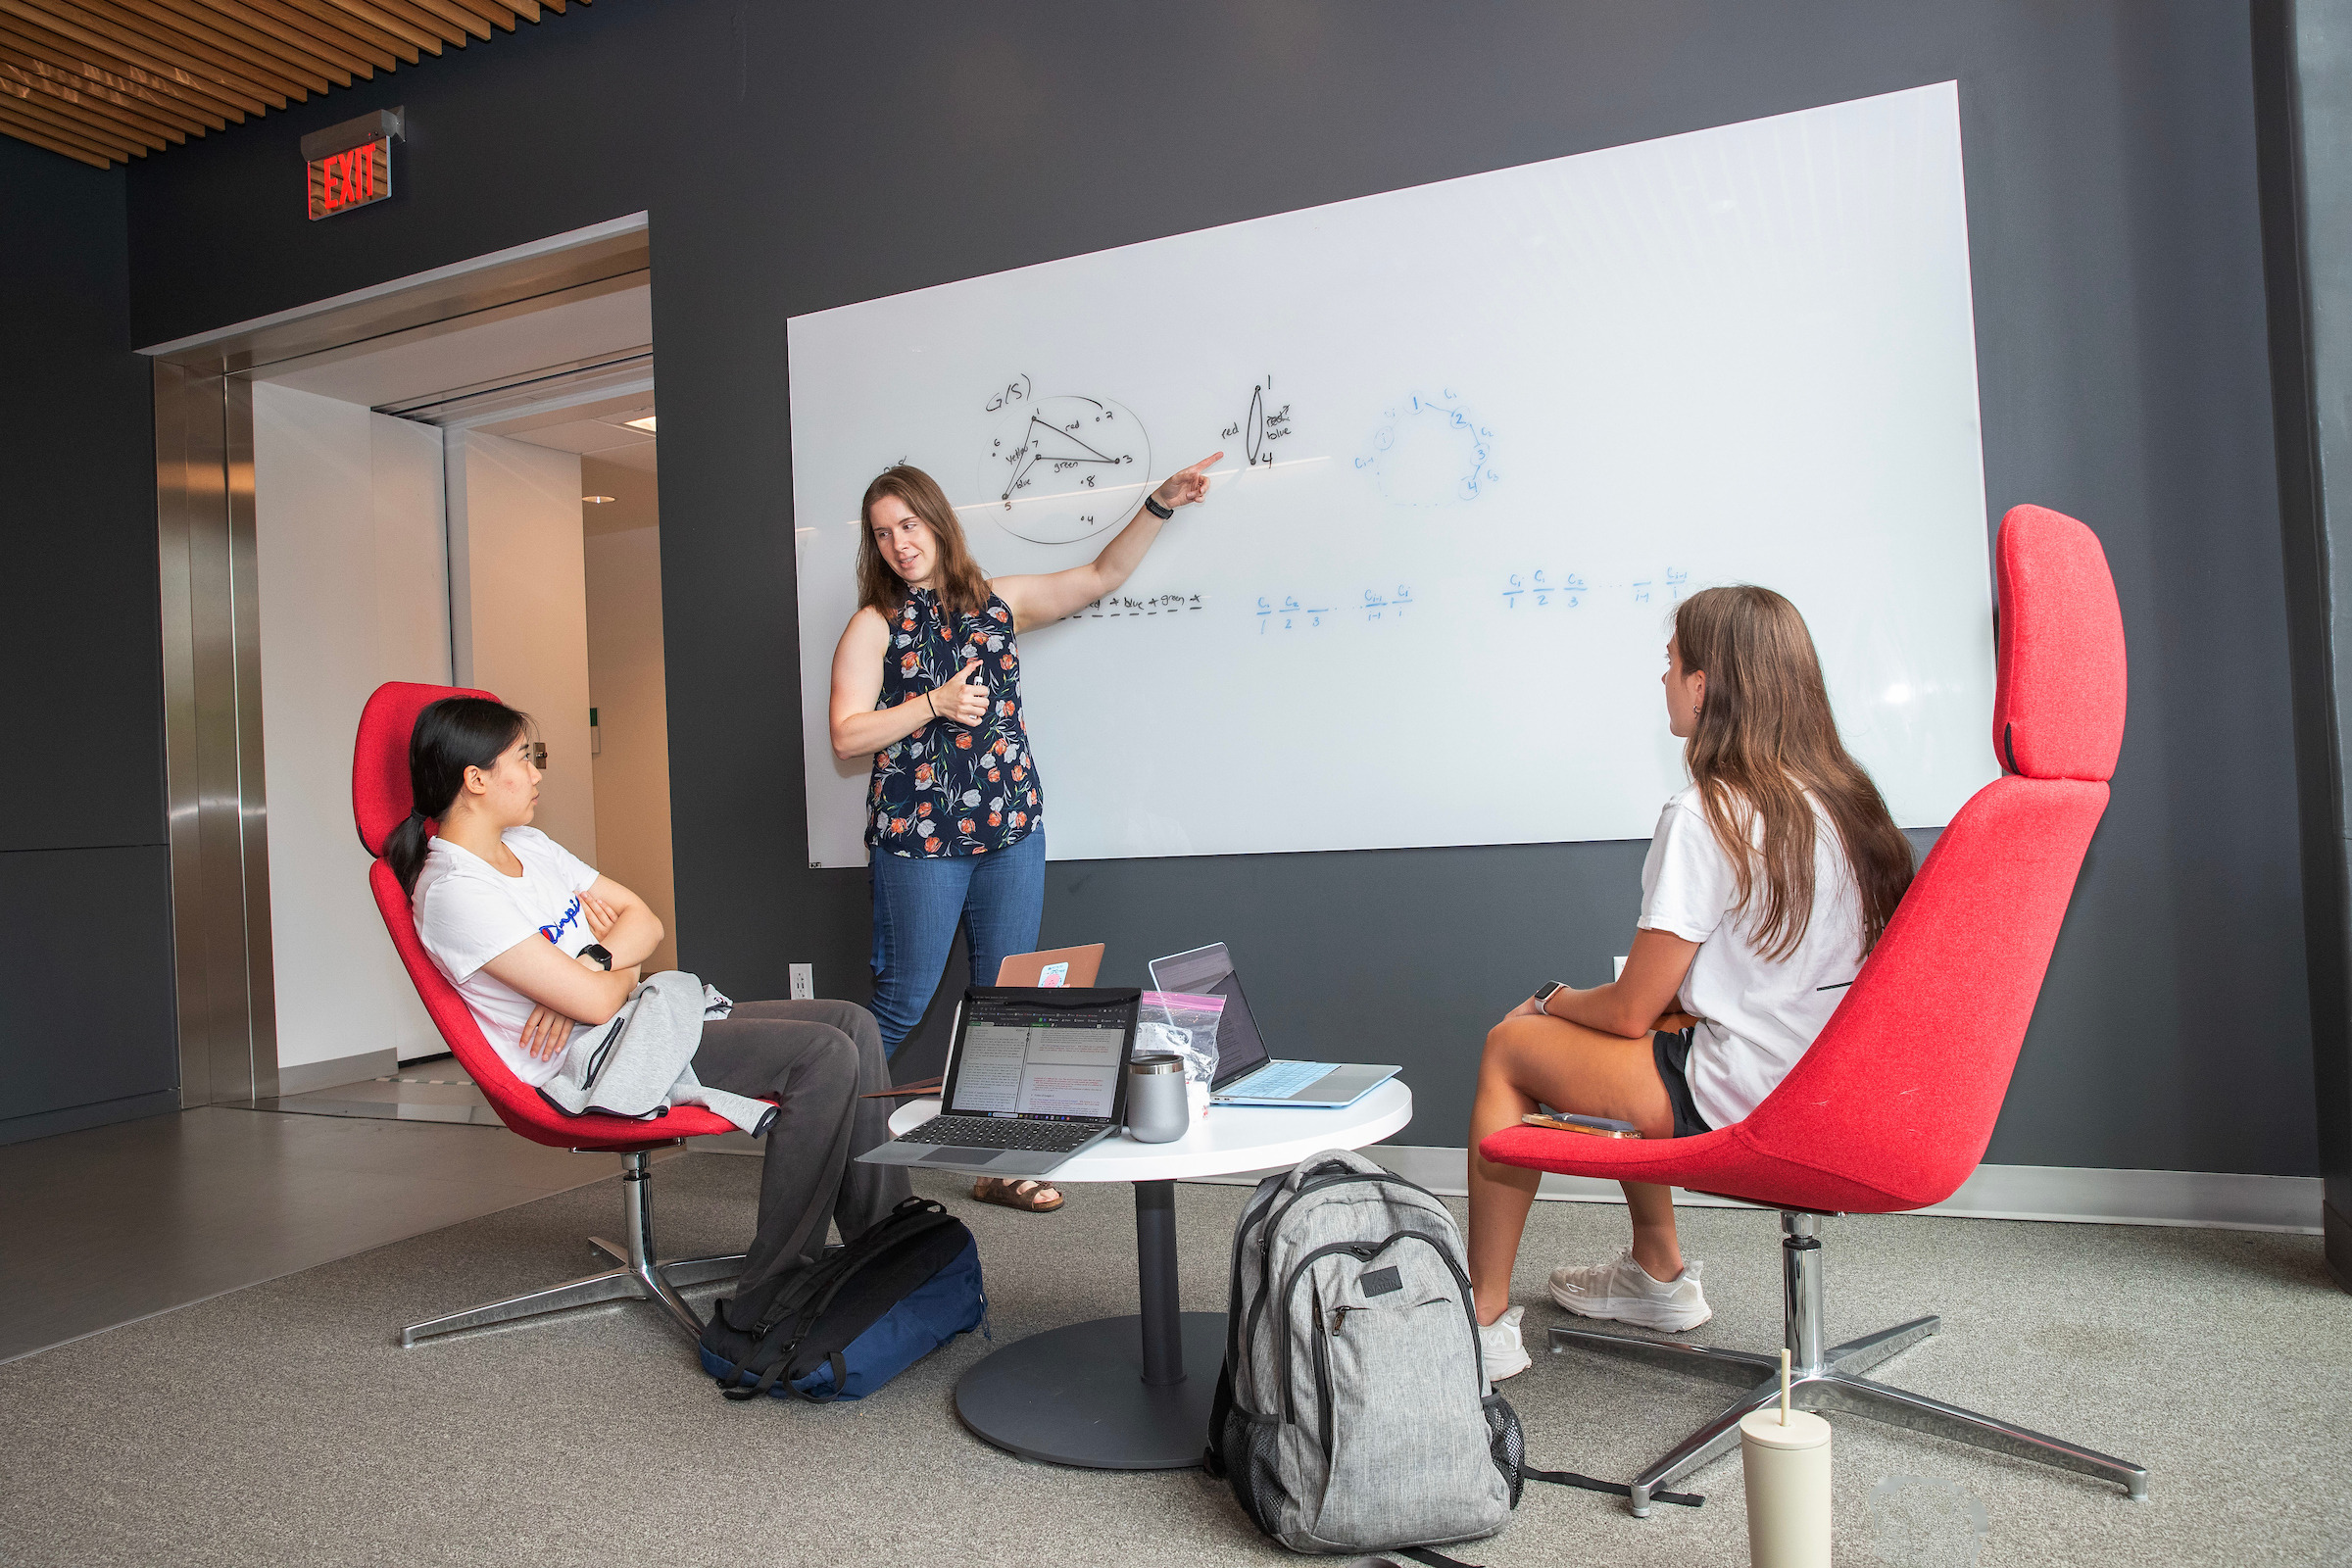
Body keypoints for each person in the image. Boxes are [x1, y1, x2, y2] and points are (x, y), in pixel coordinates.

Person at [1463, 586, 1915, 1379]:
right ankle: (1656, 1271)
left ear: (1705, 686)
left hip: (1753, 1096)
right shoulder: (1852, 805)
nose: (1663, 681)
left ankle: (1483, 1314)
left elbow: (1630, 1010)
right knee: (1670, 1023)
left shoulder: (1710, 813)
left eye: (1671, 665)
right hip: (1841, 1084)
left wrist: (1552, 999)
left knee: (1512, 1045)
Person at [389, 696, 910, 1290]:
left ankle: (887, 1241)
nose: (536, 775)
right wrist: (610, 973)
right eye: (523, 760)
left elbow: (646, 920)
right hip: (594, 1062)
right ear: (476, 779)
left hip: (641, 1021)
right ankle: (780, 1284)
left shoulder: (528, 847)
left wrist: (599, 958)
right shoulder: (456, 891)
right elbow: (595, 1004)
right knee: (824, 1055)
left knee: (852, 1022)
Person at [827, 454, 1220, 1212]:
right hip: (921, 840)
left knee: (1011, 1003)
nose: (899, 543)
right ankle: (827, 1130)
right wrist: (933, 703)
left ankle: (1000, 1160)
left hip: (1011, 833)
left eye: (908, 524)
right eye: (882, 534)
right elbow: (847, 736)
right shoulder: (873, 624)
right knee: (904, 1000)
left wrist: (1160, 503)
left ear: (937, 523)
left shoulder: (997, 603)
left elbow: (1102, 574)